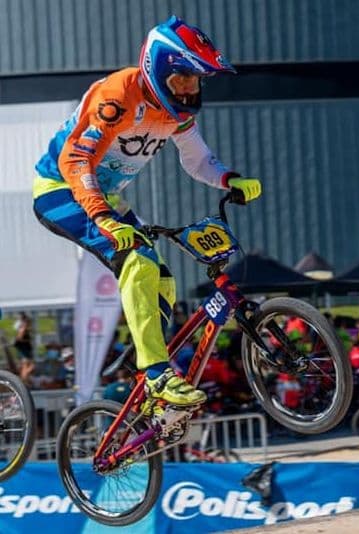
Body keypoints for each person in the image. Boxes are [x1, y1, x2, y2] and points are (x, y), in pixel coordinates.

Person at [32, 17, 261, 408]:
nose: (191, 88)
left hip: (105, 196)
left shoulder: (177, 113)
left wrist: (228, 179)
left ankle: (145, 384)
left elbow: (197, 160)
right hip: (62, 189)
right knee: (137, 261)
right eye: (184, 78)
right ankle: (156, 373)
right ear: (159, 69)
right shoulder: (118, 94)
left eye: (197, 80)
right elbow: (76, 159)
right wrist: (103, 217)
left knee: (164, 281)